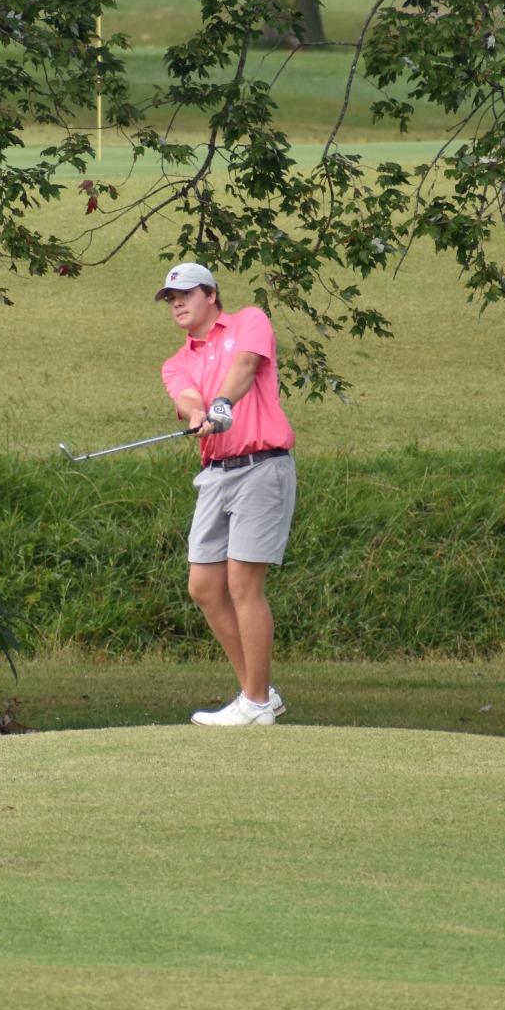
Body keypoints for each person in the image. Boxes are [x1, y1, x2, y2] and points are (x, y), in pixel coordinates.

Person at [156, 262, 297, 726]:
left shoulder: (249, 321)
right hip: (215, 475)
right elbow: (186, 397)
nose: (176, 303)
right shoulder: (177, 361)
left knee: (242, 584)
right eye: (170, 298)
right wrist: (199, 412)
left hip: (261, 465)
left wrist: (220, 405)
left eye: (185, 294)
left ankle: (256, 704)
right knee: (204, 587)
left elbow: (245, 367)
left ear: (211, 294)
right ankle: (257, 696)